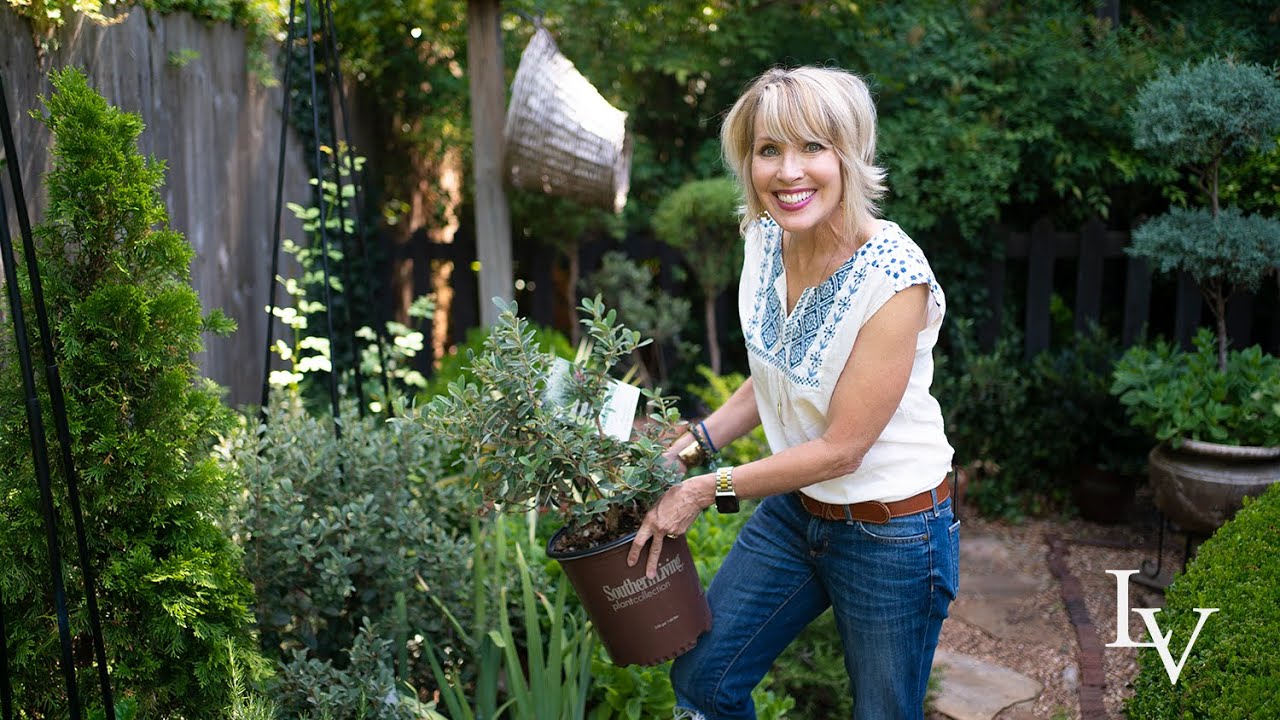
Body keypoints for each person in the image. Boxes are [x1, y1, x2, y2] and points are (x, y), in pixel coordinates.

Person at [626, 65, 959, 720]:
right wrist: (689, 448)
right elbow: (774, 374)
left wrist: (703, 489)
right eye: (768, 149)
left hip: (892, 530)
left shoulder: (894, 279)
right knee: (705, 679)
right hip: (797, 512)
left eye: (813, 147)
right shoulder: (764, 239)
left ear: (850, 154)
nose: (788, 171)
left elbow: (842, 450)